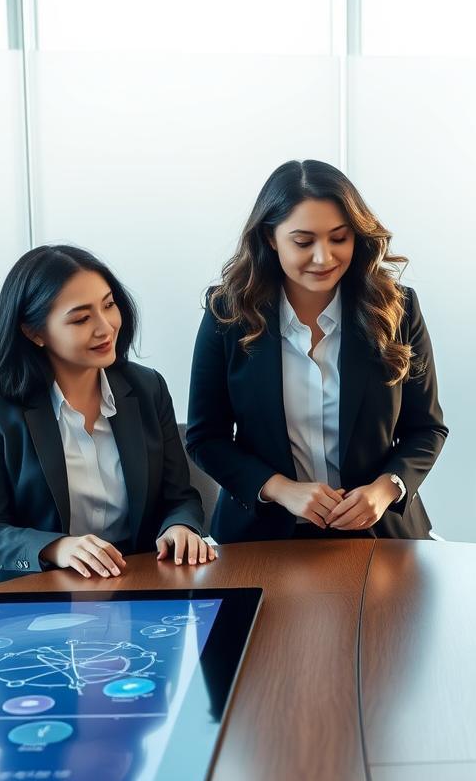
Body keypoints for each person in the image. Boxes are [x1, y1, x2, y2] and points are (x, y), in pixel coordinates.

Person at [186, 160, 446, 542]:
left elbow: (426, 428)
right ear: (271, 238)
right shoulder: (228, 314)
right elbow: (206, 437)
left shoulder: (397, 308)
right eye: (304, 242)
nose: (324, 258)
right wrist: (278, 488)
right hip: (261, 538)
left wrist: (386, 488)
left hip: (381, 536)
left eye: (339, 238)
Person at [0, 245, 213, 590]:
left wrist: (180, 527)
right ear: (34, 332)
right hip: (36, 592)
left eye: (109, 305)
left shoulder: (146, 388)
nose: (105, 327)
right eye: (81, 318)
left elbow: (179, 497)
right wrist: (57, 548)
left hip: (138, 584)